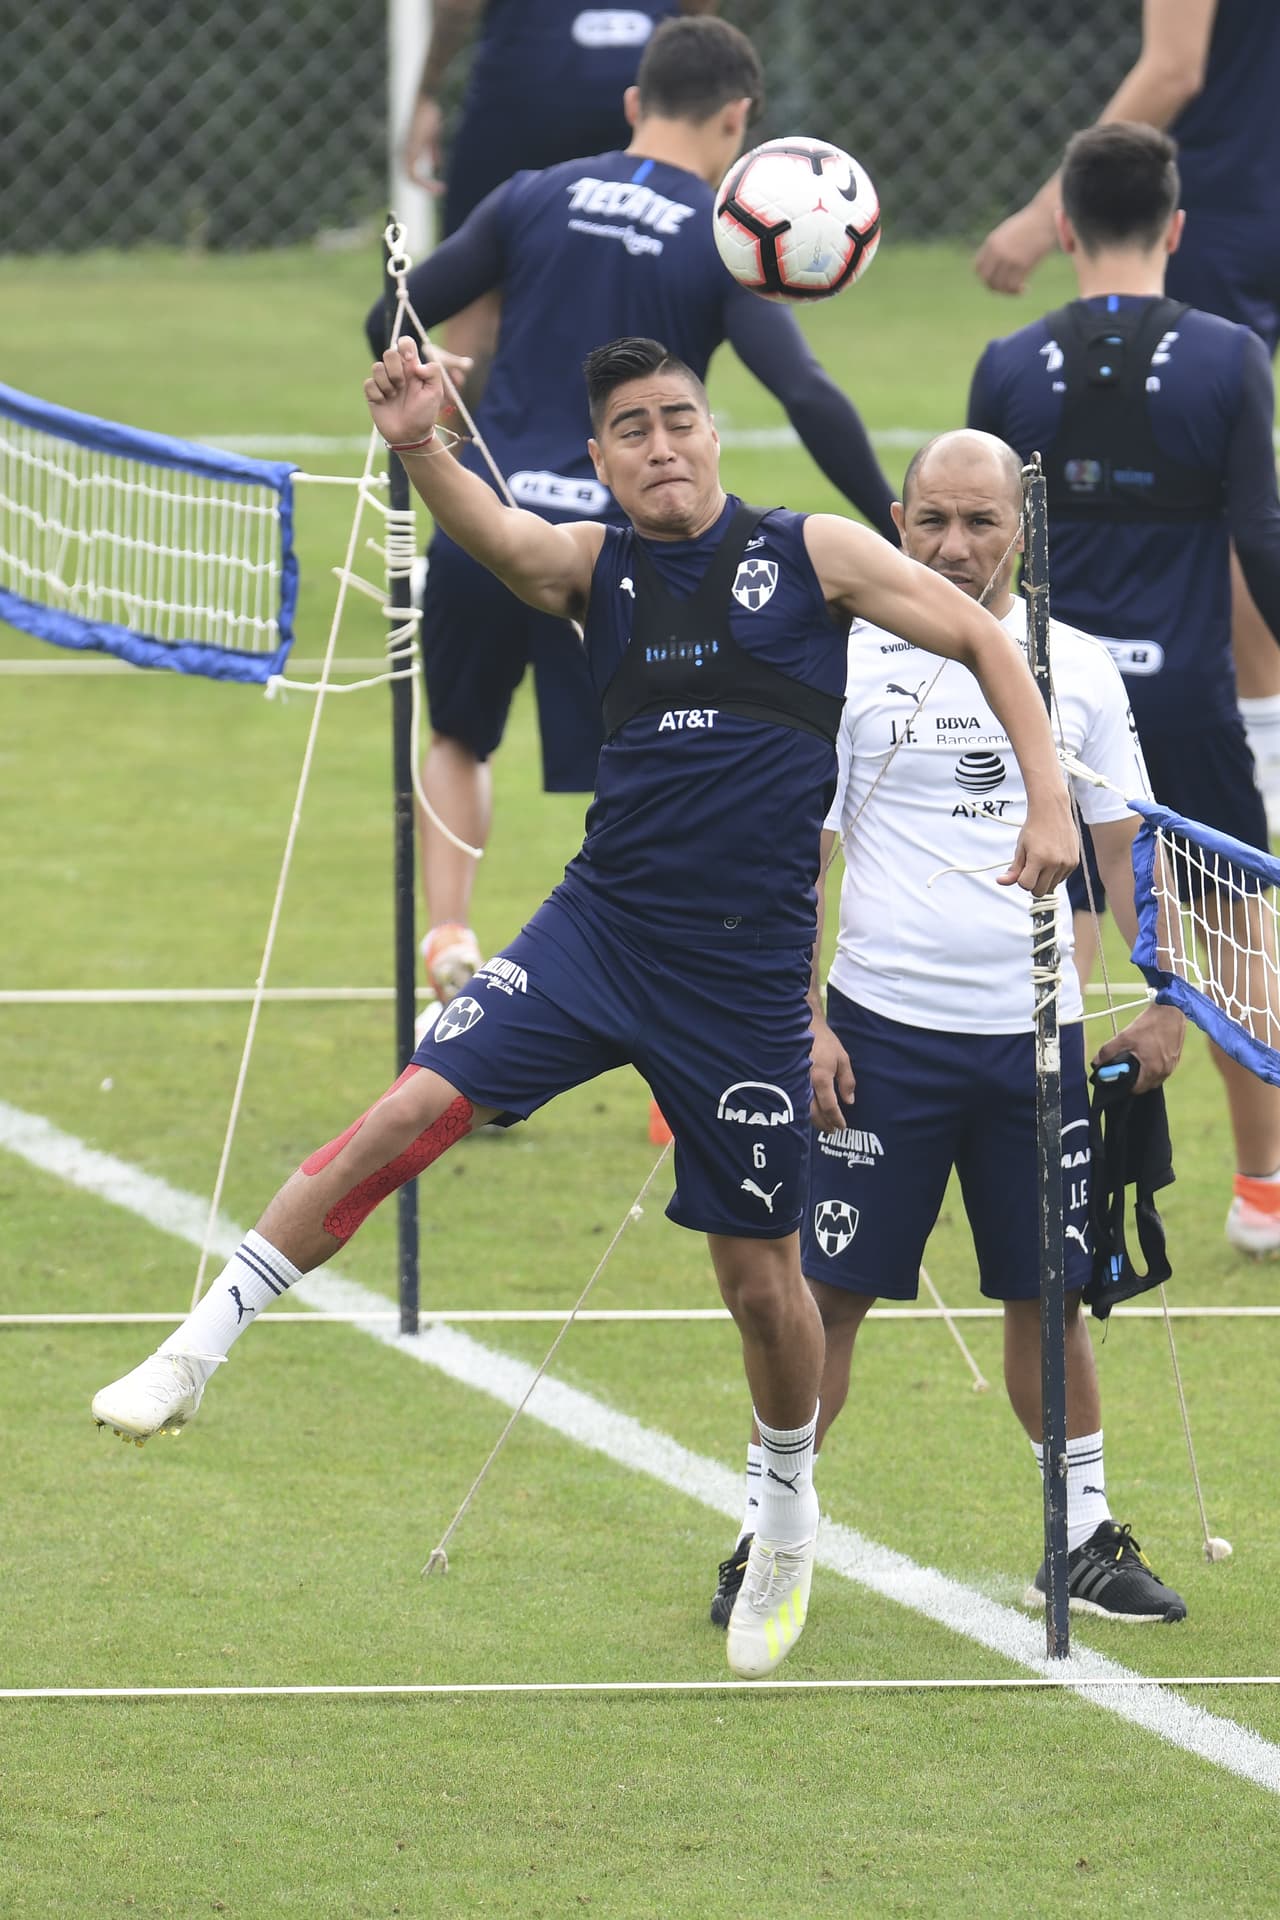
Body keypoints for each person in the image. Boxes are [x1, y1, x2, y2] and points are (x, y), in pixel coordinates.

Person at [92, 335, 1078, 1681]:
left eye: (678, 420)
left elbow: (976, 631)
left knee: (759, 1284)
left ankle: (785, 1514)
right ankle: (196, 1351)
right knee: (412, 1108)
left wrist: (1049, 797)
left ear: (713, 434)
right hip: (598, 933)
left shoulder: (815, 553)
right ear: (602, 459)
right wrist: (418, 438)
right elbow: (496, 533)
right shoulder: (591, 567)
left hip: (740, 980)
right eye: (630, 430)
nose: (660, 446)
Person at [709, 429, 1189, 1631]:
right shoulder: (840, 661)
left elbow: (1126, 850)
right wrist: (800, 1016)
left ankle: (1074, 1534)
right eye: (932, 522)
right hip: (879, 1040)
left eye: (980, 523)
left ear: (1019, 530)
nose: (956, 547)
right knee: (827, 1298)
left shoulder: (1074, 669)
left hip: (1038, 1045)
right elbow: (798, 859)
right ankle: (769, 1531)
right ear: (894, 518)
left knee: (1050, 1295)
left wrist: (1165, 992)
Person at [366, 14, 899, 1009]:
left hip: (493, 520)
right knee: (646, 773)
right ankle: (663, 1022)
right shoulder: (720, 238)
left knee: (456, 736)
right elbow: (806, 394)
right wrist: (887, 511)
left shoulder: (535, 192)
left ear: (629, 105)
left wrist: (426, 370)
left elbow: (391, 314)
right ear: (737, 120)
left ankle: (448, 935)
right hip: (621, 554)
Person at [968, 121, 1280, 1255]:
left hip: (1047, 698)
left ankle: (1031, 1167)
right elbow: (1259, 535)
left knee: (1059, 924)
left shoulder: (1006, 366)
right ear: (1176, 229)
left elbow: (976, 555)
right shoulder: (1228, 354)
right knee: (1232, 927)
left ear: (1060, 231)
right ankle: (1260, 1196)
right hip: (1183, 701)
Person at [974, 0, 1280, 825]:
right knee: (1234, 474)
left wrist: (1044, 216)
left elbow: (1174, 68)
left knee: (1201, 472)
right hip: (1254, 200)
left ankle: (1223, 741)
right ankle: (1258, 744)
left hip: (1214, 208)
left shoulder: (1005, 359)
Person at [402, 1, 719, 408]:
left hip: (525, 88)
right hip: (638, 84)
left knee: (475, 313)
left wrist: (428, 91)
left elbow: (457, 5)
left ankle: (464, 465)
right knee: (638, 297)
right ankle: (630, 458)